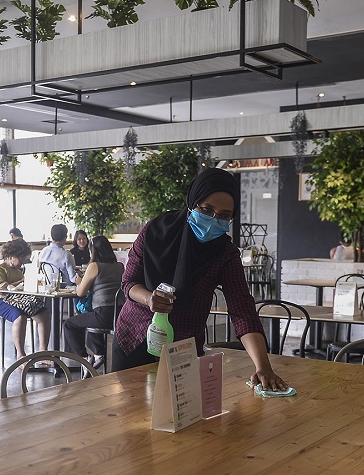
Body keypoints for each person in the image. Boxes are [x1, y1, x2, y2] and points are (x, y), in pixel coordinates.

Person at [112, 168, 287, 391]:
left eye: (224, 216)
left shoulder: (225, 253)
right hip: (133, 337)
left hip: (182, 349)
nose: (214, 219)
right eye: (206, 209)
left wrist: (263, 366)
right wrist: (149, 298)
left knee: (181, 418)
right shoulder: (154, 231)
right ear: (193, 202)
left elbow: (242, 309)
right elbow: (128, 282)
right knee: (128, 418)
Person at [64, 236, 124, 368]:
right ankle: (98, 354)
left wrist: (80, 281)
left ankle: (85, 358)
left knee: (69, 324)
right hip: (120, 315)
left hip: (103, 315)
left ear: (94, 251)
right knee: (89, 316)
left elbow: (80, 293)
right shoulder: (120, 266)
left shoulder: (94, 266)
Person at [0, 238, 51, 364]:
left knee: (44, 314)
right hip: (0, 301)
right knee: (20, 317)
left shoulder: (18, 270)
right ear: (10, 256)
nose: (22, 262)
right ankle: (21, 356)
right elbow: (2, 291)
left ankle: (43, 352)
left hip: (20, 300)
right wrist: (23, 281)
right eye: (20, 258)